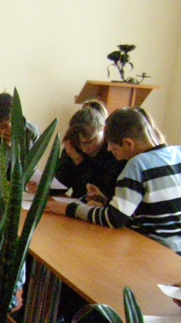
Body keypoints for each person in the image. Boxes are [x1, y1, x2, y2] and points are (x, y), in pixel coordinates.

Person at [46, 107, 181, 254]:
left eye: (112, 145)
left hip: (150, 247)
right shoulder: (177, 153)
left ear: (128, 144)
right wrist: (106, 201)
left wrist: (69, 209)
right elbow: (147, 211)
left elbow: (114, 219)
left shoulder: (136, 165)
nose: (109, 149)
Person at [53, 100, 125, 202]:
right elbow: (59, 186)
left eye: (89, 142)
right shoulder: (74, 147)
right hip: (75, 205)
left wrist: (79, 163)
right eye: (79, 143)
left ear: (103, 130)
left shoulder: (114, 152)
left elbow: (99, 195)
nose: (84, 149)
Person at [0, 92, 40, 180]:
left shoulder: (31, 131)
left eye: (13, 123)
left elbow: (30, 169)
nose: (10, 130)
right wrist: (6, 144)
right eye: (3, 126)